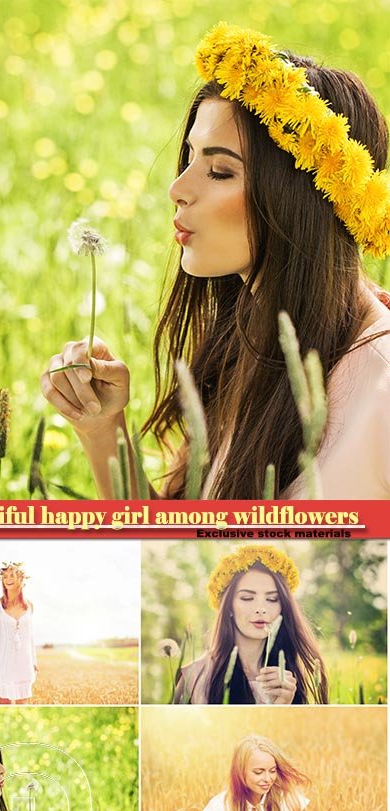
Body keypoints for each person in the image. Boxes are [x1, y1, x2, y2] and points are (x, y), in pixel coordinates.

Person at [41, 25, 390, 500]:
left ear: (299, 200)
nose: (177, 189)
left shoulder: (381, 386)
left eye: (220, 170)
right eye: (188, 158)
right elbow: (183, 550)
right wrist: (103, 430)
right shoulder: (240, 342)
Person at [174, 547, 328, 705]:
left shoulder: (288, 679)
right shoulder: (195, 677)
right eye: (247, 598)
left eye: (272, 599)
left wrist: (282, 706)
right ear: (228, 607)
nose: (261, 608)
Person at [0, 563, 37, 704]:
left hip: (23, 662)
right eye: (5, 576)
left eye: (12, 575)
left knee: (22, 704)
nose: (8, 579)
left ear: (21, 579)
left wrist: (34, 661)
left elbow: (29, 636)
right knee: (4, 703)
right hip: (4, 660)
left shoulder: (29, 606)